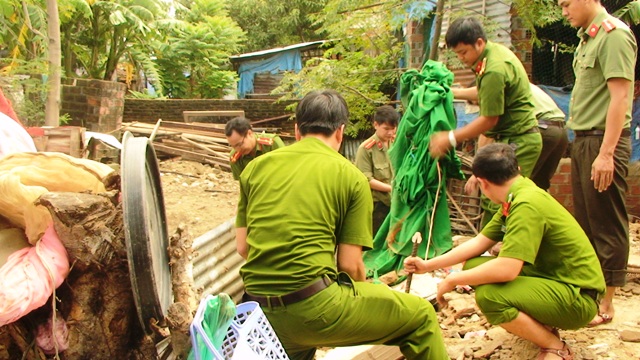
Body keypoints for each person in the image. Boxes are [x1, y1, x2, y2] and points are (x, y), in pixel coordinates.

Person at [235, 90, 448, 360]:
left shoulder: (254, 168)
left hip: (257, 313)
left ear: (297, 129)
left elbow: (243, 247)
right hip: (316, 308)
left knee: (299, 347)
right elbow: (350, 265)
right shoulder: (351, 176)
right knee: (421, 315)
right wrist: (359, 300)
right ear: (340, 131)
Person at [405, 143, 605, 360]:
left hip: (578, 298)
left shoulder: (526, 205)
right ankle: (542, 324)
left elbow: (508, 270)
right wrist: (428, 265)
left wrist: (452, 280)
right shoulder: (518, 193)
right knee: (474, 266)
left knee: (491, 297)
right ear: (516, 170)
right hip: (557, 281)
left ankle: (555, 347)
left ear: (482, 182)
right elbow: (480, 242)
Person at [558, 0, 637, 327]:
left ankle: (607, 302)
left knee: (607, 219)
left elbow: (620, 96)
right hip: (584, 140)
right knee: (588, 220)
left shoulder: (614, 35)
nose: (564, 12)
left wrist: (606, 153)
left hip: (605, 140)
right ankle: (591, 290)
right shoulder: (587, 39)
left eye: (566, 4)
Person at [430, 16, 542, 227]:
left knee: (503, 199)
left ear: (479, 42)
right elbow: (483, 93)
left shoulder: (493, 69)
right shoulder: (491, 56)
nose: (461, 58)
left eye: (464, 52)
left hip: (520, 138)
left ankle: (502, 252)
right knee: (496, 200)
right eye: (457, 54)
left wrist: (451, 138)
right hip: (511, 137)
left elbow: (489, 120)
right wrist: (449, 93)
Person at [354, 105, 399, 235]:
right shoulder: (366, 149)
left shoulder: (396, 144)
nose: (390, 133)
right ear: (376, 125)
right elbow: (366, 180)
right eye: (386, 129)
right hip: (377, 206)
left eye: (393, 128)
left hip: (395, 204)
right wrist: (392, 188)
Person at [529, 83, 569, 191]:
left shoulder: (492, 83)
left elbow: (490, 127)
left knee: (513, 181)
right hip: (561, 130)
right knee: (539, 185)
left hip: (542, 129)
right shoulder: (527, 84)